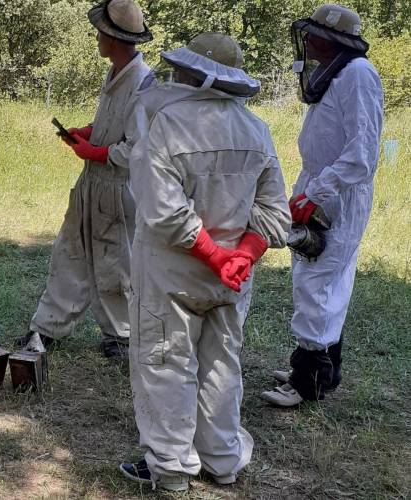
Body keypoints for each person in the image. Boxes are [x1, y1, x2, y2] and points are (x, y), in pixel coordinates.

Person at [118, 33, 291, 491]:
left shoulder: (168, 123)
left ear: (192, 73)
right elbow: (276, 213)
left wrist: (216, 256)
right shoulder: (256, 129)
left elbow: (163, 211)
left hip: (172, 272)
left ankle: (172, 469)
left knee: (165, 361)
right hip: (232, 276)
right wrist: (241, 257)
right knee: (222, 364)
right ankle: (222, 459)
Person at [261, 4, 384, 407]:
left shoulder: (359, 76)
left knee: (318, 280)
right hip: (322, 184)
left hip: (338, 193)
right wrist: (309, 189)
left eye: (315, 33)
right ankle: (323, 369)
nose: (308, 40)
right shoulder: (338, 73)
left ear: (334, 40)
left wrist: (316, 194)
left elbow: (362, 155)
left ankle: (307, 380)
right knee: (324, 277)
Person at [16, 0, 153, 358]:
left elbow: (138, 148)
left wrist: (95, 152)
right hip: (93, 181)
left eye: (101, 32)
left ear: (115, 37)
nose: (96, 37)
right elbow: (111, 124)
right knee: (69, 253)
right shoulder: (116, 74)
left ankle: (121, 336)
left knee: (114, 262)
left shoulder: (142, 83)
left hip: (118, 187)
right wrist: (87, 133)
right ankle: (46, 329)